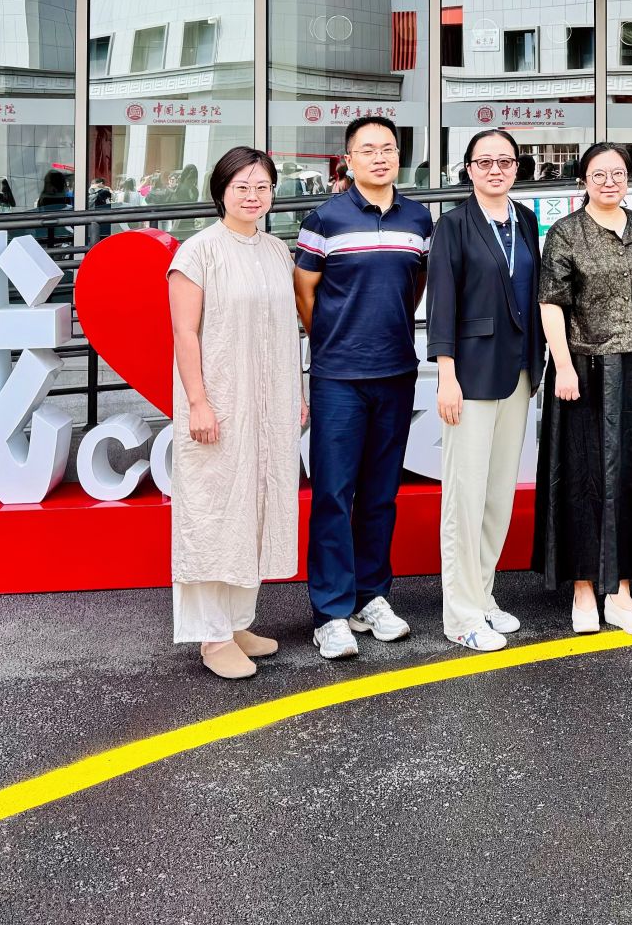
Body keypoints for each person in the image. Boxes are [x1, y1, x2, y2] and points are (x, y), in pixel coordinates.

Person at [294, 115, 434, 660]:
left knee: (380, 495)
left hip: (395, 371)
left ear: (399, 157)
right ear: (348, 160)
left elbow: (414, 285)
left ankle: (371, 597)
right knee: (333, 493)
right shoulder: (324, 218)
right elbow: (305, 292)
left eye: (389, 148)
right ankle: (330, 612)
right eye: (368, 149)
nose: (380, 157)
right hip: (338, 377)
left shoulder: (418, 218)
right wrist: (336, 339)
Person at [167, 147, 303, 679]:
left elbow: (285, 330)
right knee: (214, 512)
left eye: (262, 187)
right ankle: (212, 635)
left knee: (257, 504)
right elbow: (184, 333)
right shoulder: (197, 252)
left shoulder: (277, 250)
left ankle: (238, 621)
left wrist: (296, 393)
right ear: (220, 191)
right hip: (219, 403)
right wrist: (198, 402)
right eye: (242, 186)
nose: (253, 196)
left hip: (269, 403)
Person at [535, 140, 632, 635]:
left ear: (629, 179)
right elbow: (550, 304)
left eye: (618, 174)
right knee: (582, 477)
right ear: (583, 181)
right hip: (583, 369)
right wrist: (563, 365)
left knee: (631, 477)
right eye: (599, 174)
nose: (610, 182)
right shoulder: (565, 232)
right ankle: (582, 589)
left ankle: (620, 592)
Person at [426, 128, 544, 654]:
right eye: (484, 162)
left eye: (505, 161)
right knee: (465, 497)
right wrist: (446, 375)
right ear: (469, 169)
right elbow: (442, 303)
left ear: (517, 167)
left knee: (497, 496)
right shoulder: (453, 225)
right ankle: (461, 615)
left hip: (518, 371)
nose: (495, 170)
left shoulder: (525, 220)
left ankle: (484, 594)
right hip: (470, 375)